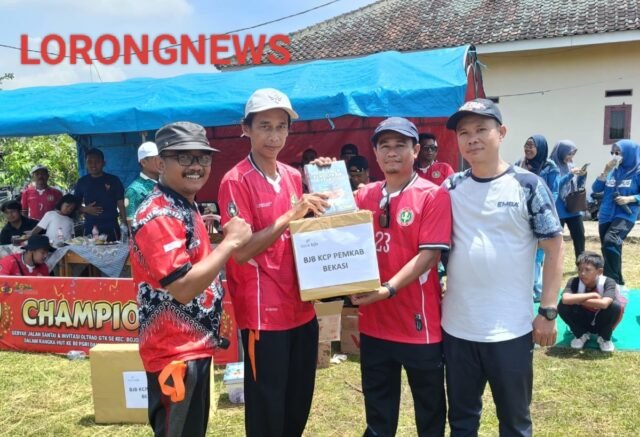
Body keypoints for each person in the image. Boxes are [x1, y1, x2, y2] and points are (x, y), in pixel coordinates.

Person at [442, 98, 564, 437]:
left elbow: (554, 248)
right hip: (458, 328)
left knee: (514, 422)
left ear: (502, 132)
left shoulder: (528, 185)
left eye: (481, 129)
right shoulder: (450, 188)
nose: (472, 139)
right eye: (464, 132)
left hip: (510, 330)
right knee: (462, 421)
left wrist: (548, 310)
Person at [218, 88, 329, 437]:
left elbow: (309, 226)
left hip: (301, 305)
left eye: (281, 126)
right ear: (246, 129)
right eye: (264, 126)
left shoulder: (293, 176)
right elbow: (240, 251)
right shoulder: (235, 181)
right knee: (268, 406)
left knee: (298, 399)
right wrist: (290, 215)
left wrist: (329, 177)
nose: (274, 135)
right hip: (263, 315)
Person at [130, 121, 251, 437]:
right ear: (160, 163)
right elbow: (182, 288)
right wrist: (229, 243)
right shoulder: (159, 214)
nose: (196, 166)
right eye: (184, 157)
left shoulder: (183, 204)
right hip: (174, 352)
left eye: (203, 157)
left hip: (191, 347)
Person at [350, 117, 452, 437]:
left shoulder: (432, 195)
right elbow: (335, 234)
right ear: (375, 153)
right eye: (385, 146)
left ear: (415, 150)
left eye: (400, 145)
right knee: (378, 414)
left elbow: (429, 255)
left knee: (429, 411)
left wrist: (388, 288)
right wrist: (323, 175)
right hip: (374, 323)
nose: (391, 152)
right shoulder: (363, 196)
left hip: (418, 324)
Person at [515, 135, 560, 301]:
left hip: (542, 214)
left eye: (531, 145)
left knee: (539, 252)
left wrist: (542, 209)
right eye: (526, 145)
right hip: (522, 214)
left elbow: (554, 192)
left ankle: (537, 289)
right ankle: (527, 287)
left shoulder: (550, 167)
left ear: (540, 148)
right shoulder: (520, 164)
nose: (527, 149)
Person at [591, 139, 640, 287]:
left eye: (618, 152)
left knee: (611, 240)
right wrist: (605, 171)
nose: (614, 155)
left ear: (629, 153)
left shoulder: (637, 173)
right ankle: (618, 282)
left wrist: (630, 198)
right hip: (606, 214)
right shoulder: (613, 170)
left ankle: (610, 283)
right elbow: (596, 188)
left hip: (625, 214)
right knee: (609, 248)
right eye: (612, 152)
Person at [558, 251, 625, 352]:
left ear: (599, 271)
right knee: (562, 305)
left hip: (601, 320)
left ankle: (604, 338)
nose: (582, 273)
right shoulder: (574, 281)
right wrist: (592, 295)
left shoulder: (608, 282)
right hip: (582, 319)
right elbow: (565, 299)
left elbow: (604, 304)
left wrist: (576, 300)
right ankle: (580, 334)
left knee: (615, 306)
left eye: (587, 270)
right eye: (579, 269)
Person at [73, 148, 127, 241]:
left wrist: (124, 224)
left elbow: (121, 204)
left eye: (97, 162)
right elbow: (74, 205)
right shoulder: (82, 182)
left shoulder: (114, 180)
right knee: (90, 250)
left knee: (114, 250)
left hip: (111, 227)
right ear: (86, 164)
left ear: (104, 163)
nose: (93, 165)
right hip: (90, 227)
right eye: (90, 162)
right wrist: (85, 209)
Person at [550, 140, 587, 263]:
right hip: (558, 208)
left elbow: (577, 185)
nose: (571, 157)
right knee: (555, 240)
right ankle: (553, 264)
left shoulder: (571, 165)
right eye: (569, 154)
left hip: (573, 207)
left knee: (579, 237)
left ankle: (581, 264)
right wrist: (570, 175)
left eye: (573, 155)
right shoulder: (551, 166)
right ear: (561, 152)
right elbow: (556, 186)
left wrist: (582, 175)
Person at [125, 141, 160, 226]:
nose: (160, 161)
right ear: (143, 162)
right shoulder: (133, 190)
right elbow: (131, 224)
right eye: (155, 159)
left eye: (161, 158)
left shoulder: (166, 183)